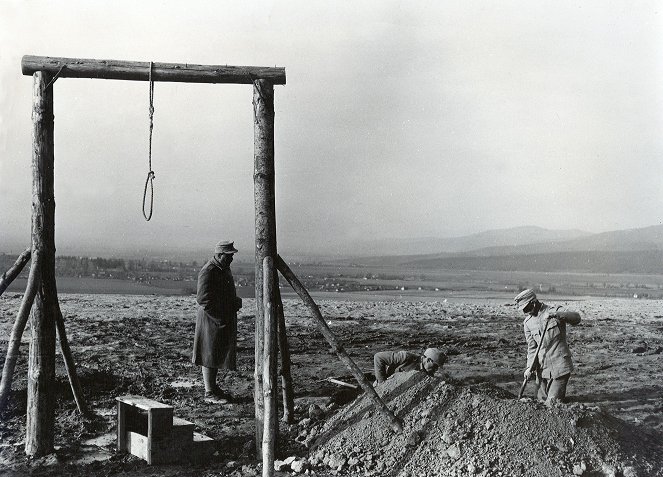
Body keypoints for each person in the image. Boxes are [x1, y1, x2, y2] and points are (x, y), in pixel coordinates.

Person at [192, 240, 243, 404]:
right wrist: (228, 306)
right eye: (229, 256)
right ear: (220, 255)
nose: (231, 259)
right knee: (208, 354)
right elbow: (203, 299)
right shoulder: (208, 271)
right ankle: (209, 392)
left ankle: (213, 388)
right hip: (211, 319)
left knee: (214, 354)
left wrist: (233, 301)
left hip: (218, 319)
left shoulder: (222, 268)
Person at [515, 288, 581, 403]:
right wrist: (529, 367)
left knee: (552, 404)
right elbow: (532, 348)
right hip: (542, 370)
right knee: (540, 403)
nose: (525, 312)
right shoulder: (528, 323)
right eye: (523, 310)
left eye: (527, 309)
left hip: (560, 367)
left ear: (533, 303)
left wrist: (558, 315)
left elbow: (577, 318)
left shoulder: (554, 310)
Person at [373, 347, 446, 384]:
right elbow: (378, 357)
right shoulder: (406, 357)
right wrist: (382, 383)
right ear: (428, 360)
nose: (436, 369)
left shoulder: (427, 372)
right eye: (435, 366)